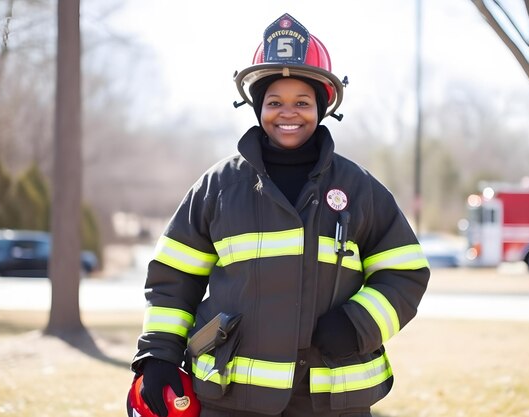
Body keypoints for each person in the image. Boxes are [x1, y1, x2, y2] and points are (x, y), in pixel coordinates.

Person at [129, 13, 430, 417]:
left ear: (322, 107)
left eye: (302, 102)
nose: (288, 113)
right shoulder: (217, 188)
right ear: (258, 107)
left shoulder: (360, 190)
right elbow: (173, 280)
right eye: (275, 102)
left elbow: (405, 272)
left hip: (333, 400)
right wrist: (158, 356)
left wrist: (357, 325)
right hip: (231, 398)